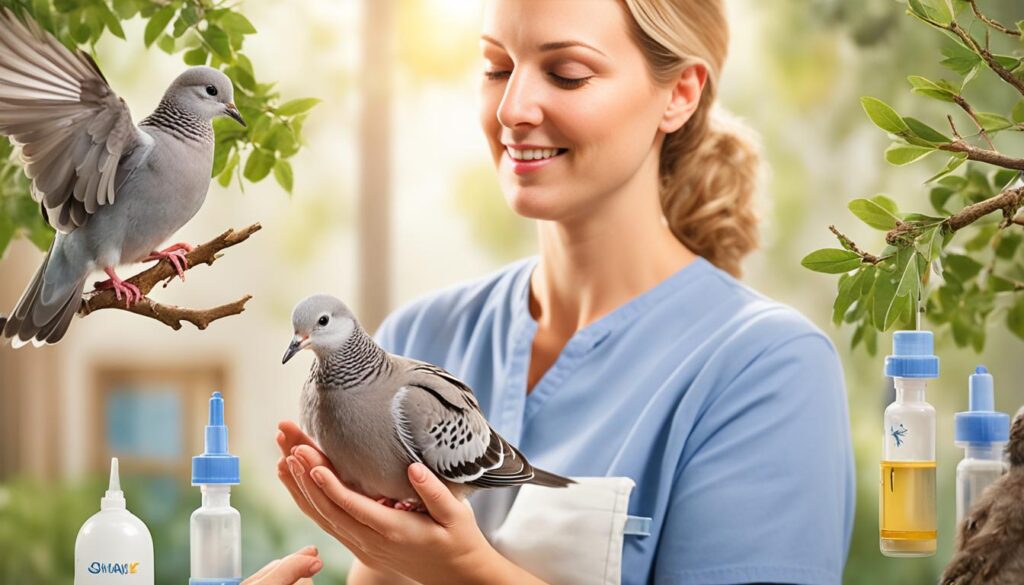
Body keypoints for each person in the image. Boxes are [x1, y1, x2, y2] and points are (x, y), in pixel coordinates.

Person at [274, 0, 855, 583]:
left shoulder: (770, 370)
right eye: (497, 67)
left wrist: (462, 570)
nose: (512, 109)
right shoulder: (417, 336)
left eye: (567, 74)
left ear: (679, 93)